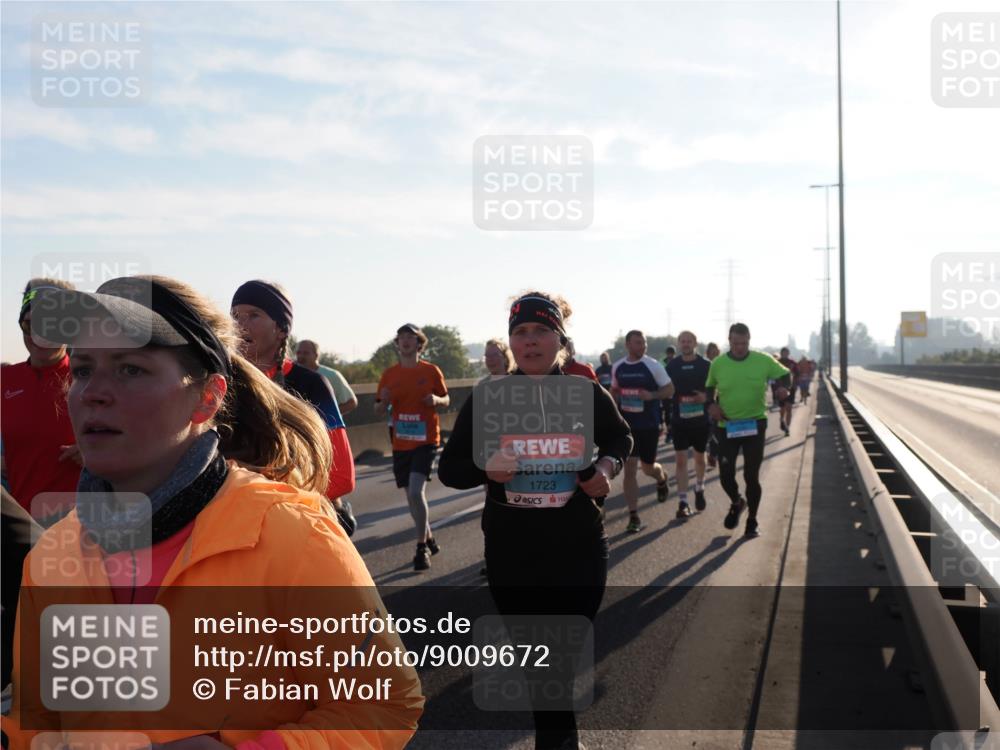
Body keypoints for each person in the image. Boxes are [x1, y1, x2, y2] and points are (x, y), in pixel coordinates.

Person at [5, 276, 423, 749]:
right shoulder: (51, 556)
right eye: (82, 370)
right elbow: (35, 717)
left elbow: (385, 703)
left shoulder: (291, 533)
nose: (93, 393)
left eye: (130, 370)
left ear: (207, 397)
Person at [439, 291, 632, 750]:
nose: (529, 342)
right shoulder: (489, 396)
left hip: (579, 544)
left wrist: (605, 472)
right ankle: (560, 741)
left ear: (559, 340)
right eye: (520, 333)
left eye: (540, 331)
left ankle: (558, 736)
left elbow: (619, 439)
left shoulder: (585, 392)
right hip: (512, 550)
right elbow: (450, 470)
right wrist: (487, 469)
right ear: (510, 343)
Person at [231, 280, 357, 535]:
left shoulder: (311, 384)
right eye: (235, 316)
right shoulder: (219, 382)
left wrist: (275, 502)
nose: (240, 325)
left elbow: (342, 476)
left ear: (280, 329)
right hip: (235, 525)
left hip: (297, 527)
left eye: (253, 315)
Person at [0, 278, 81, 525]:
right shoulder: (5, 379)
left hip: (79, 531)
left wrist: (104, 454)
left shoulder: (92, 379)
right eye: (31, 324)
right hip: (16, 529)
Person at [374, 324, 449, 571]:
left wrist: (436, 400)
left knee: (416, 492)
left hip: (426, 440)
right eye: (401, 338)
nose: (405, 341)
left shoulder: (430, 371)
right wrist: (384, 401)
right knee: (410, 496)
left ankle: (421, 548)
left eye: (411, 338)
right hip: (401, 441)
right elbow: (377, 408)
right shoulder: (389, 375)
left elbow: (446, 398)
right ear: (397, 344)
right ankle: (429, 537)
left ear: (419, 344)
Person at [705, 323, 791, 538]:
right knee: (725, 476)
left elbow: (786, 374)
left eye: (743, 343)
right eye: (735, 343)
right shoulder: (718, 363)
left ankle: (752, 520)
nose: (740, 347)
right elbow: (709, 387)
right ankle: (737, 501)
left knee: (751, 476)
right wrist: (711, 405)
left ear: (749, 341)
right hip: (727, 425)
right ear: (729, 341)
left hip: (754, 424)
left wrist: (784, 388)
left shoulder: (762, 360)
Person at [612, 330, 674, 533]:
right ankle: (633, 515)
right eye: (638, 342)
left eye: (644, 342)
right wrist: (615, 404)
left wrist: (652, 395)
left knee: (647, 468)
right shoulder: (618, 367)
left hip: (649, 425)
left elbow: (670, 390)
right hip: (628, 427)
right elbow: (614, 391)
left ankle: (661, 478)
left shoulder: (653, 365)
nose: (643, 346)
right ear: (628, 344)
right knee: (629, 470)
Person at [477, 338, 515, 577]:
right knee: (493, 506)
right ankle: (494, 559)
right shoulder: (482, 387)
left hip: (517, 453)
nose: (490, 359)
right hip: (491, 453)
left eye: (494, 355)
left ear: (504, 357)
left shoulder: (517, 383)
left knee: (516, 504)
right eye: (487, 356)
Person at [665, 331, 711, 518]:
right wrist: (666, 420)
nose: (685, 344)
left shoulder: (706, 365)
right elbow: (666, 392)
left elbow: (717, 390)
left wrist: (705, 397)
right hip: (679, 421)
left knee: (700, 459)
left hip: (701, 421)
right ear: (678, 343)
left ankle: (699, 486)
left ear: (695, 343)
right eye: (682, 341)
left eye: (689, 341)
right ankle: (683, 502)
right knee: (681, 460)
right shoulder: (672, 365)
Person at [296, 339, 359, 415]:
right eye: (298, 353)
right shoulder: (292, 375)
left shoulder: (331, 375)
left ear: (316, 355)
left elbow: (351, 403)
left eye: (306, 353)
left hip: (325, 426)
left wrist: (327, 416)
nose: (301, 356)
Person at [704, 341, 722, 469]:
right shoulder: (704, 365)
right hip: (706, 401)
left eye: (716, 352)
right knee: (708, 430)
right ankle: (711, 453)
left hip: (720, 401)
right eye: (712, 352)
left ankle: (714, 454)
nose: (714, 354)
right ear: (708, 353)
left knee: (716, 429)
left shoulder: (723, 364)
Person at [775, 347, 800, 436]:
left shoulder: (792, 363)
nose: (785, 354)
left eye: (786, 353)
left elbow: (797, 374)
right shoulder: (777, 362)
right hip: (780, 389)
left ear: (788, 353)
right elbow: (773, 374)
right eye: (783, 353)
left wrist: (795, 384)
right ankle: (781, 419)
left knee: (789, 408)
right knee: (782, 408)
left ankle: (787, 428)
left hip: (790, 388)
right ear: (781, 353)